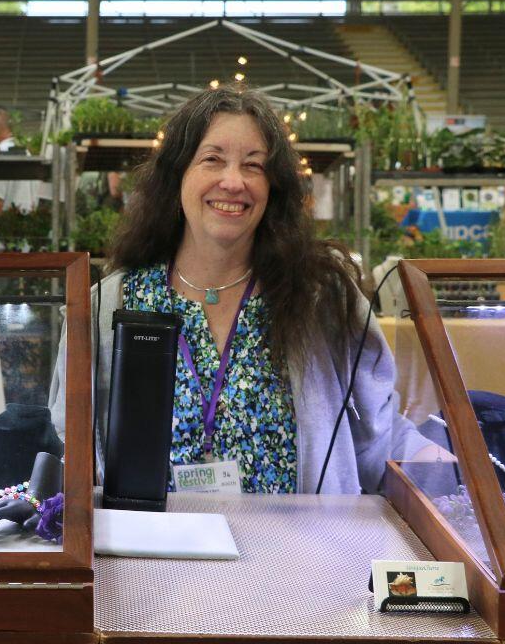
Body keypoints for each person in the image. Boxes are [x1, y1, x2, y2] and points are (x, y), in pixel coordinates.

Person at [48, 85, 445, 496]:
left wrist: (457, 478)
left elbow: (377, 435)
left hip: (299, 555)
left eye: (253, 166)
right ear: (176, 175)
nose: (233, 182)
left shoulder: (320, 298)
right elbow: (68, 439)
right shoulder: (108, 306)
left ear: (274, 187)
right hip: (145, 554)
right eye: (212, 159)